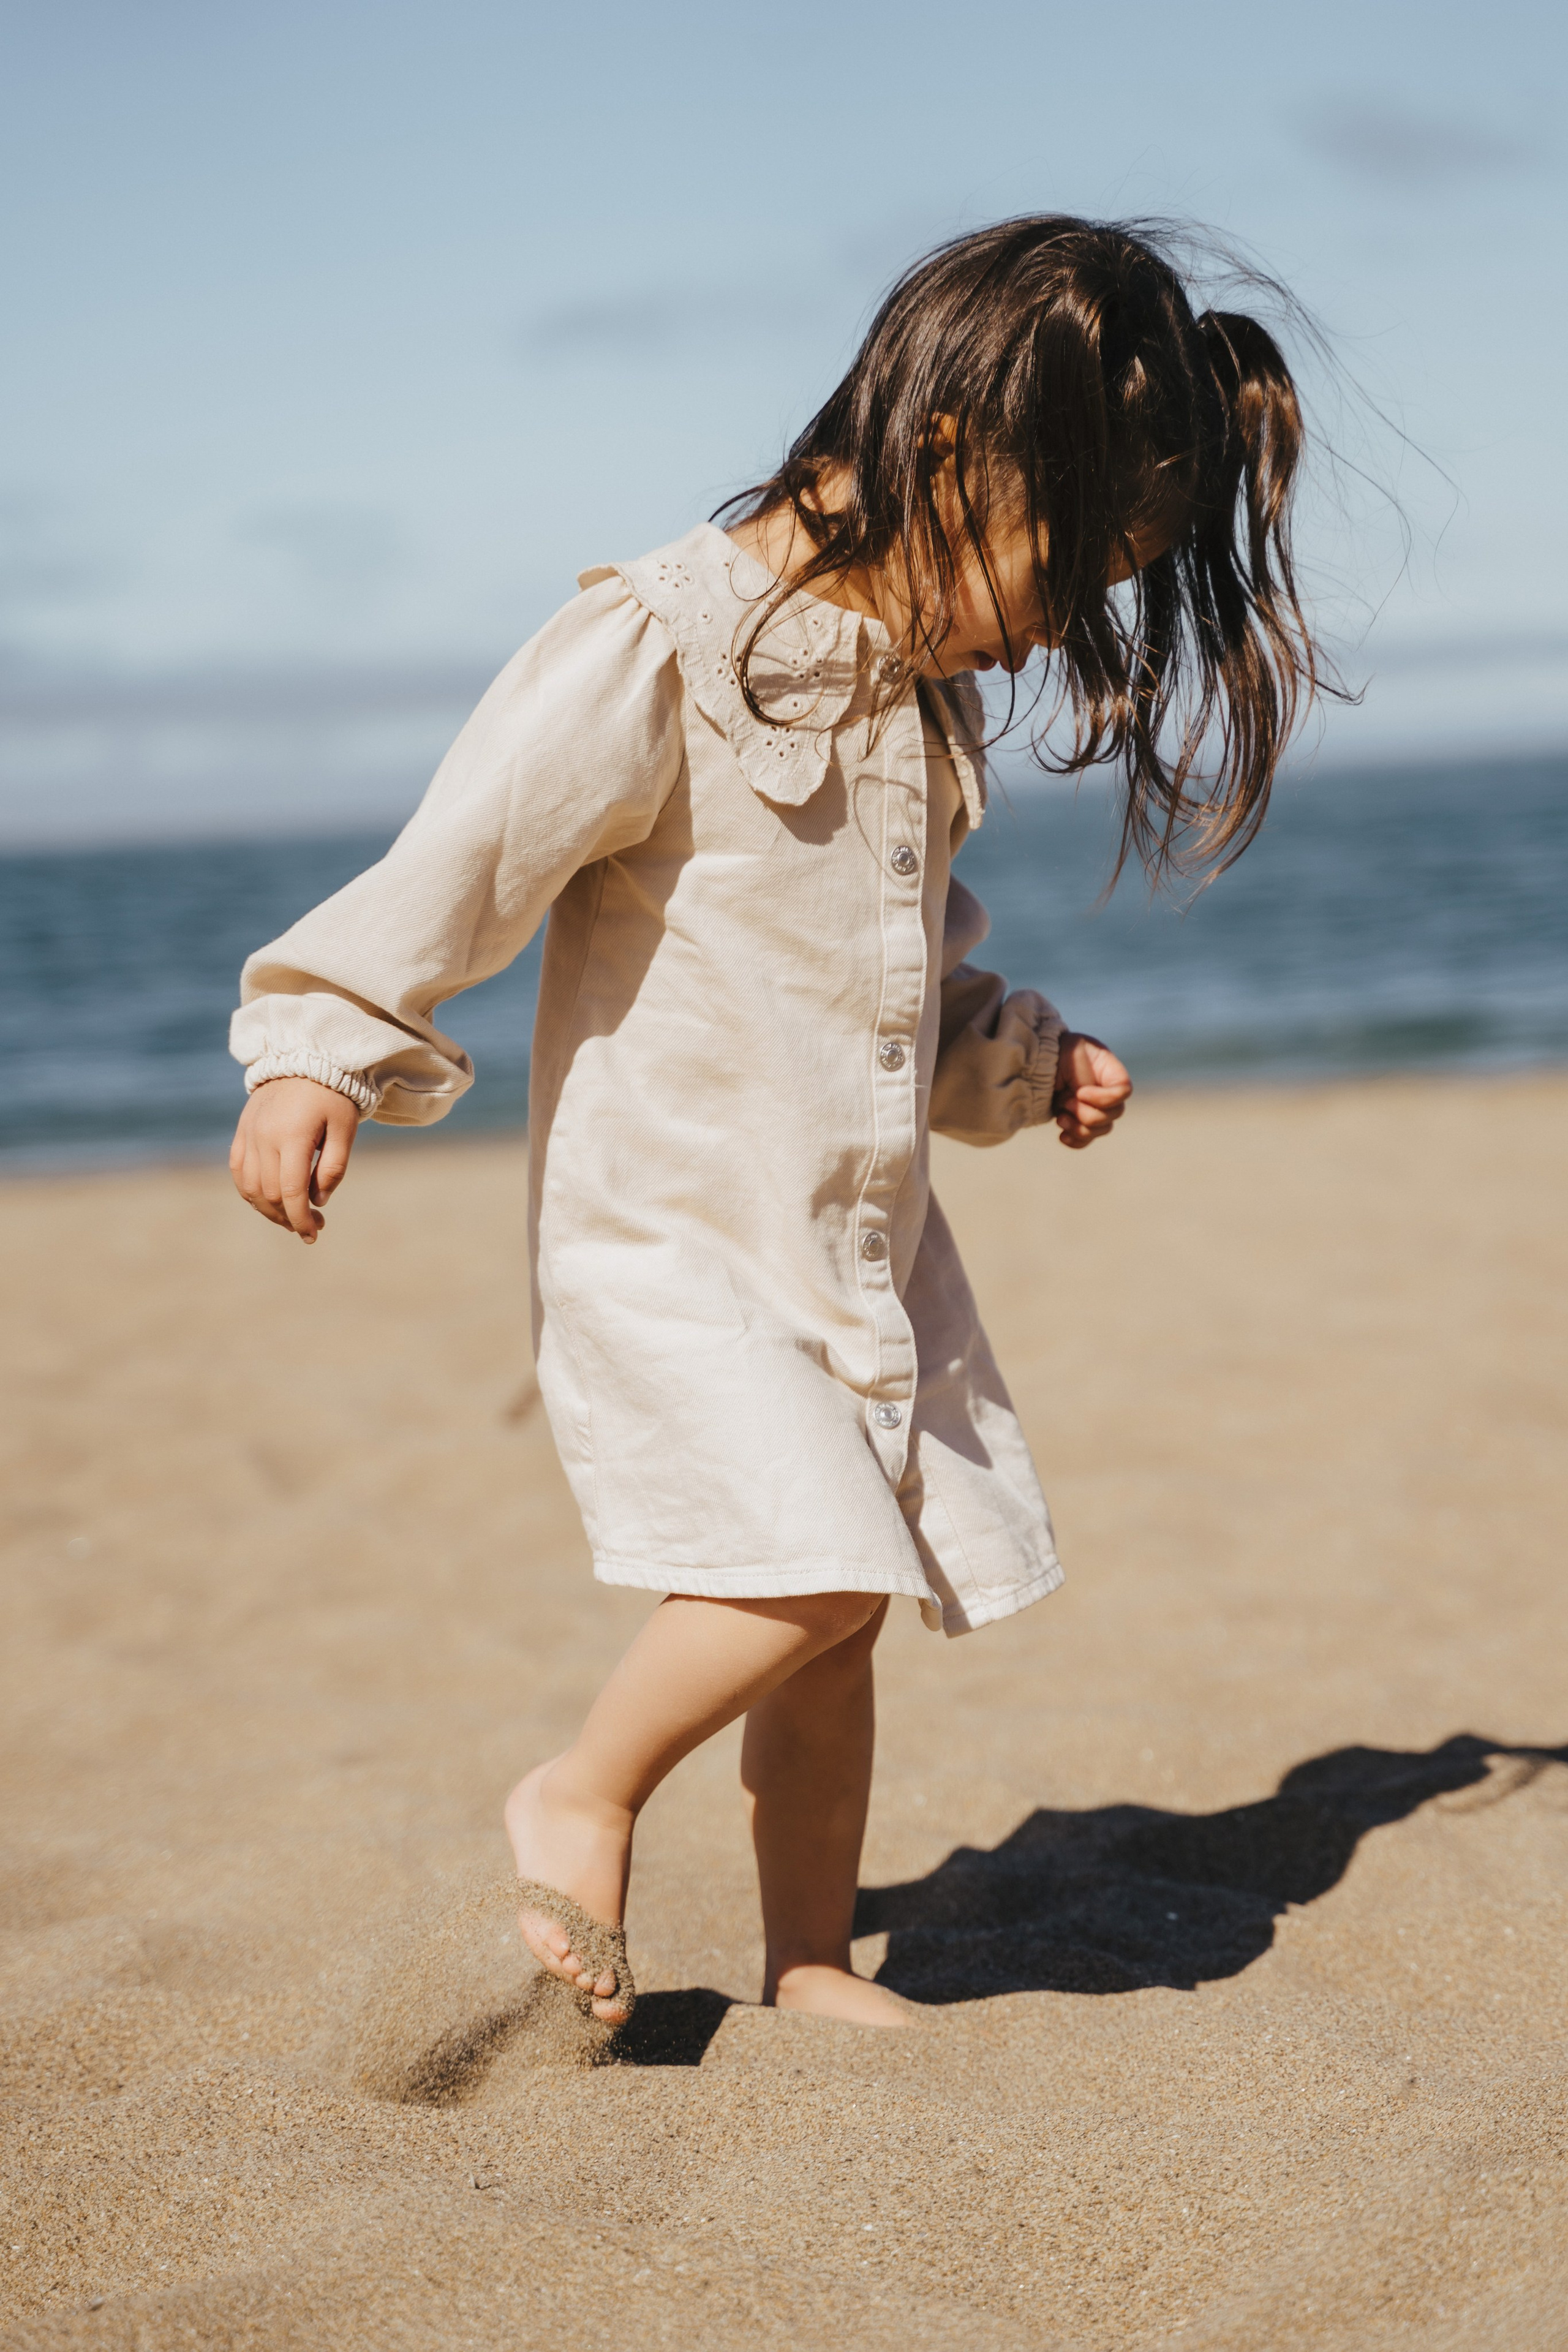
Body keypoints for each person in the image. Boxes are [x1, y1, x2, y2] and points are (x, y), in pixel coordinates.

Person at [228, 216, 1323, 2050]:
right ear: (955, 461)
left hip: (853, 1253)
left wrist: (1027, 1064)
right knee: (821, 1570)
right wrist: (322, 1045)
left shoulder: (926, 704)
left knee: (840, 1634)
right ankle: (581, 1787)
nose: (1064, 626)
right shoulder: (670, 645)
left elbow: (909, 985)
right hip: (671, 1234)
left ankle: (808, 1955)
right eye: (1071, 567)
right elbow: (468, 858)